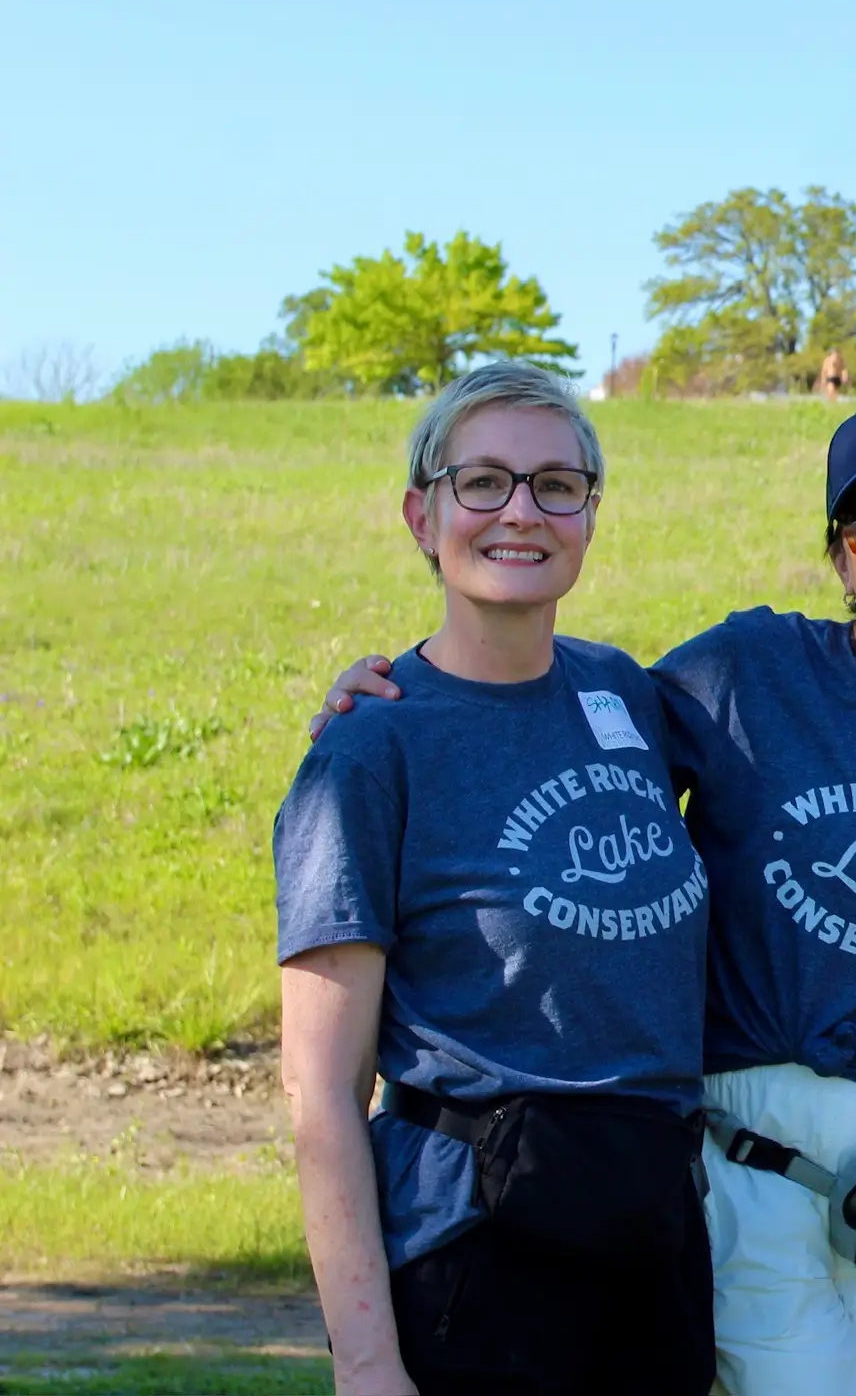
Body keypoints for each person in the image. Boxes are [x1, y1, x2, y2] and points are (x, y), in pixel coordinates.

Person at [311, 393, 856, 1396]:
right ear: (839, 553)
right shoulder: (733, 675)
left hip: (747, 1190)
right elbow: (320, 1088)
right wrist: (388, 693)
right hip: (571, 1187)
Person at [276, 361, 715, 1396]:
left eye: (556, 485)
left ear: (590, 517)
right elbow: (321, 1090)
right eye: (483, 482)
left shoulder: (626, 696)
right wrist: (367, 1364)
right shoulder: (370, 750)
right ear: (421, 516)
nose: (521, 511)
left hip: (652, 1234)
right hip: (477, 1256)